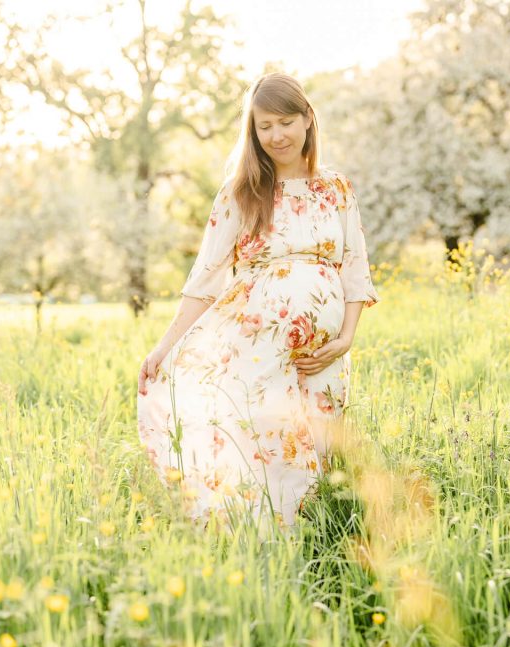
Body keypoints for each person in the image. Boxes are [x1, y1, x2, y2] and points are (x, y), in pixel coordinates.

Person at [136, 72, 379, 530]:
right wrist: (165, 346)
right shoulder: (240, 192)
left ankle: (313, 540)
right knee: (271, 444)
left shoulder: (336, 188)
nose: (276, 135)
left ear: (308, 120)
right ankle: (261, 541)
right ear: (252, 129)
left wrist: (347, 337)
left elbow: (354, 268)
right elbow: (204, 280)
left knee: (319, 446)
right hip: (257, 348)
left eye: (286, 121)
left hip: (323, 354)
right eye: (264, 125)